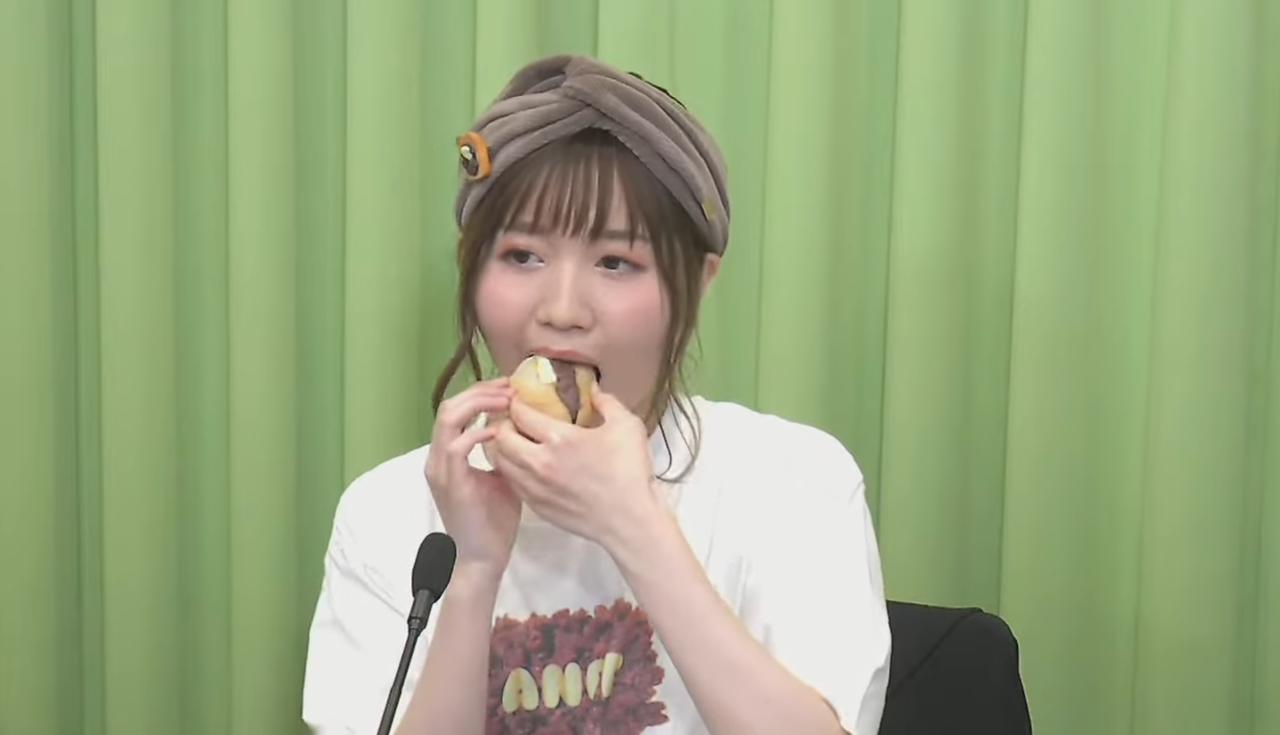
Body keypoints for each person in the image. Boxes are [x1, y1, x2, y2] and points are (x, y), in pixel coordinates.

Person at [301, 54, 892, 735]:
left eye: (616, 262)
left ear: (699, 280)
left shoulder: (792, 481)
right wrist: (473, 571)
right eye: (521, 255)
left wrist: (633, 523)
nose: (561, 310)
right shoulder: (389, 511)